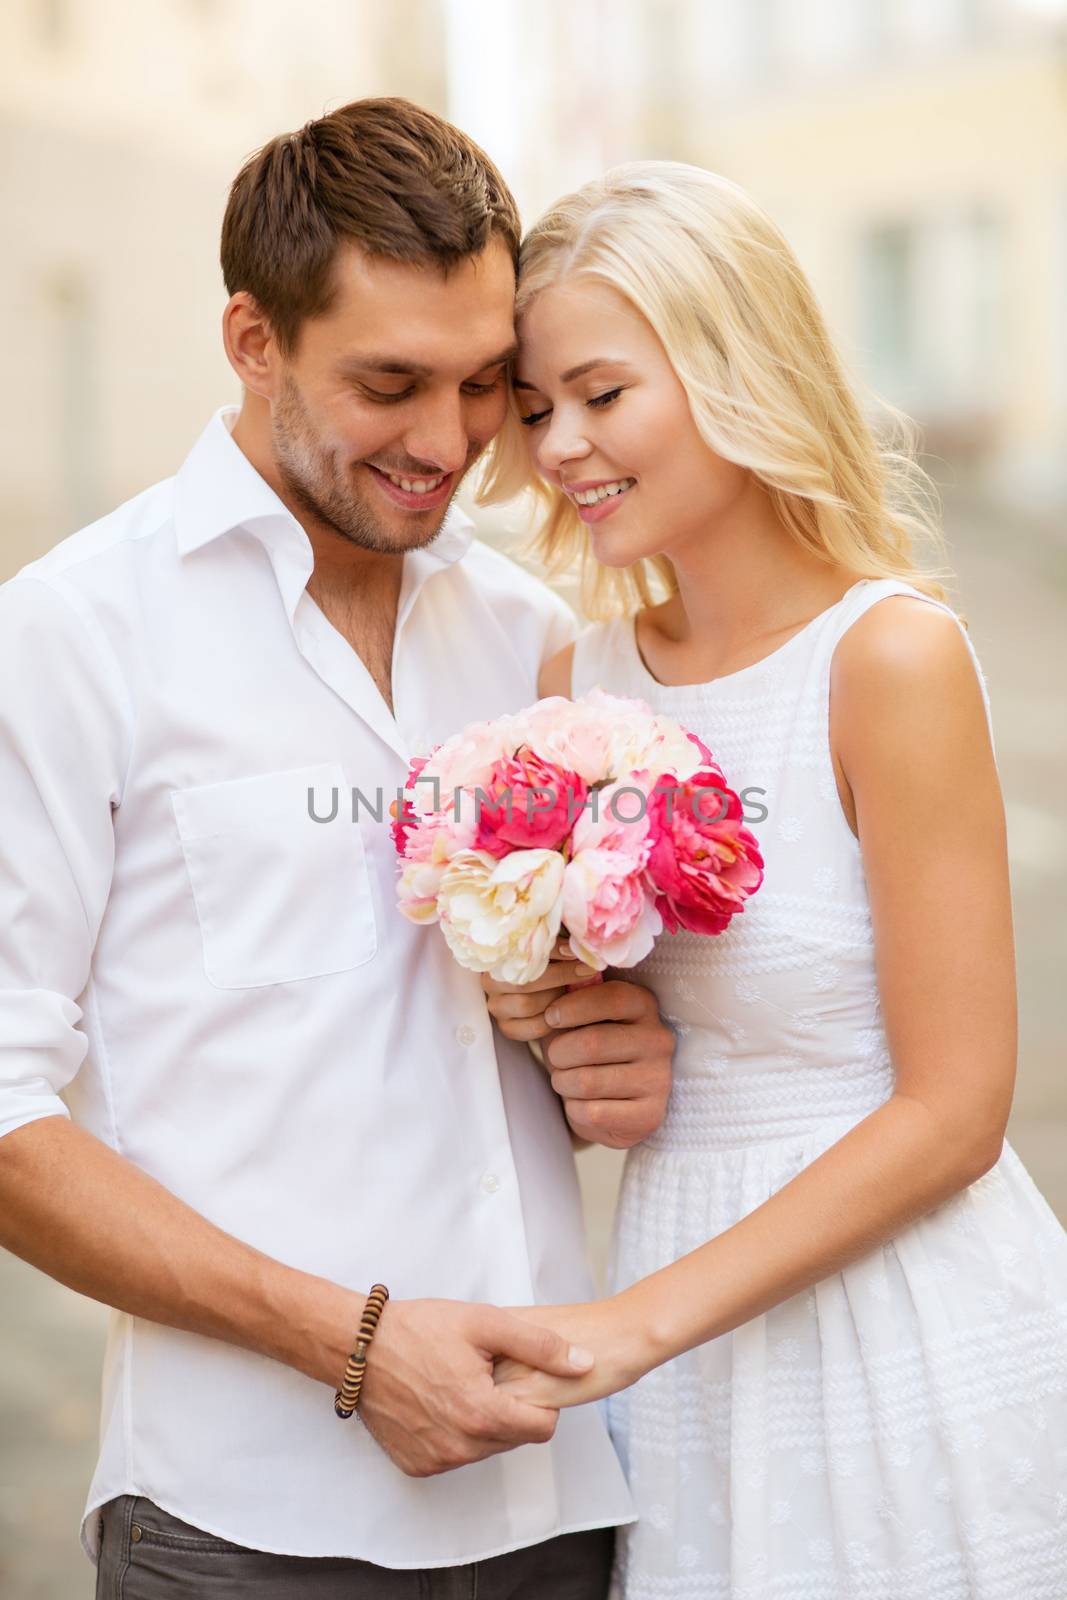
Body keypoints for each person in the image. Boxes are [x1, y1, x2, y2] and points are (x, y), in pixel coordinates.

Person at [0, 101, 679, 1599]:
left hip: (560, 1497)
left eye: (485, 383)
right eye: (389, 382)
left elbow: (529, 1027)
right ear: (252, 339)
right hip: (243, 1525)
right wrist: (356, 1346)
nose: (447, 442)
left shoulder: (535, 640)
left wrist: (608, 1048)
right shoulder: (74, 634)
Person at [480, 161, 1067, 1597]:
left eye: (603, 395)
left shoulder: (891, 659)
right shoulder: (576, 678)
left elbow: (957, 1110)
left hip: (897, 1324)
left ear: (732, 366)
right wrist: (560, 1031)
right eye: (538, 407)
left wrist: (640, 1325)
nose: (561, 446)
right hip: (684, 1345)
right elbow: (601, 1026)